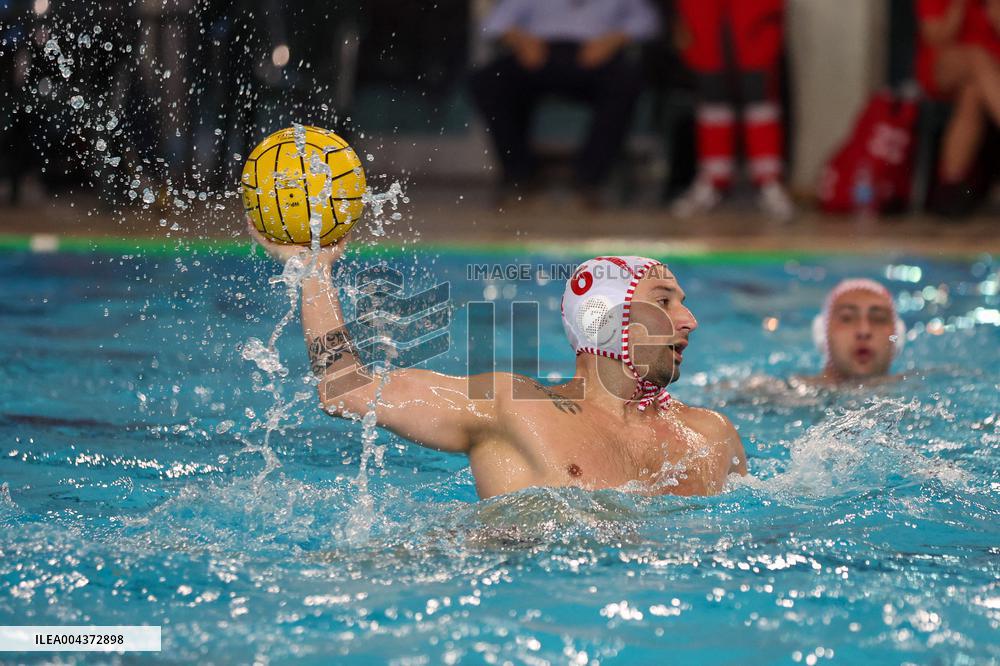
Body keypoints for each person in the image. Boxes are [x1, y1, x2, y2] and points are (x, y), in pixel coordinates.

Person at [248, 225, 748, 498]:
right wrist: (313, 273)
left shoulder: (712, 436)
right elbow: (347, 389)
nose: (690, 320)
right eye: (664, 302)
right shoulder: (515, 407)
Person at [469, 0, 660, 208]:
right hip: (537, 53)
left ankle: (589, 177)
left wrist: (613, 40)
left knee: (627, 83)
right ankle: (519, 173)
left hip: (597, 54)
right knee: (487, 82)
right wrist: (519, 39)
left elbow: (649, 22)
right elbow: (493, 23)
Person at [670, 0, 795, 221]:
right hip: (703, 15)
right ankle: (712, 181)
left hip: (754, 16)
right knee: (712, 98)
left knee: (759, 98)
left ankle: (769, 183)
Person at [916, 0, 1000, 215]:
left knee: (972, 91)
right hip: (946, 65)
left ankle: (951, 184)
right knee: (976, 60)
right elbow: (936, 38)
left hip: (990, 76)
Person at [807, 279, 906, 385]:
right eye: (847, 318)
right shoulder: (794, 394)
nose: (864, 331)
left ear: (897, 335)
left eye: (878, 319)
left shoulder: (912, 387)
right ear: (823, 333)